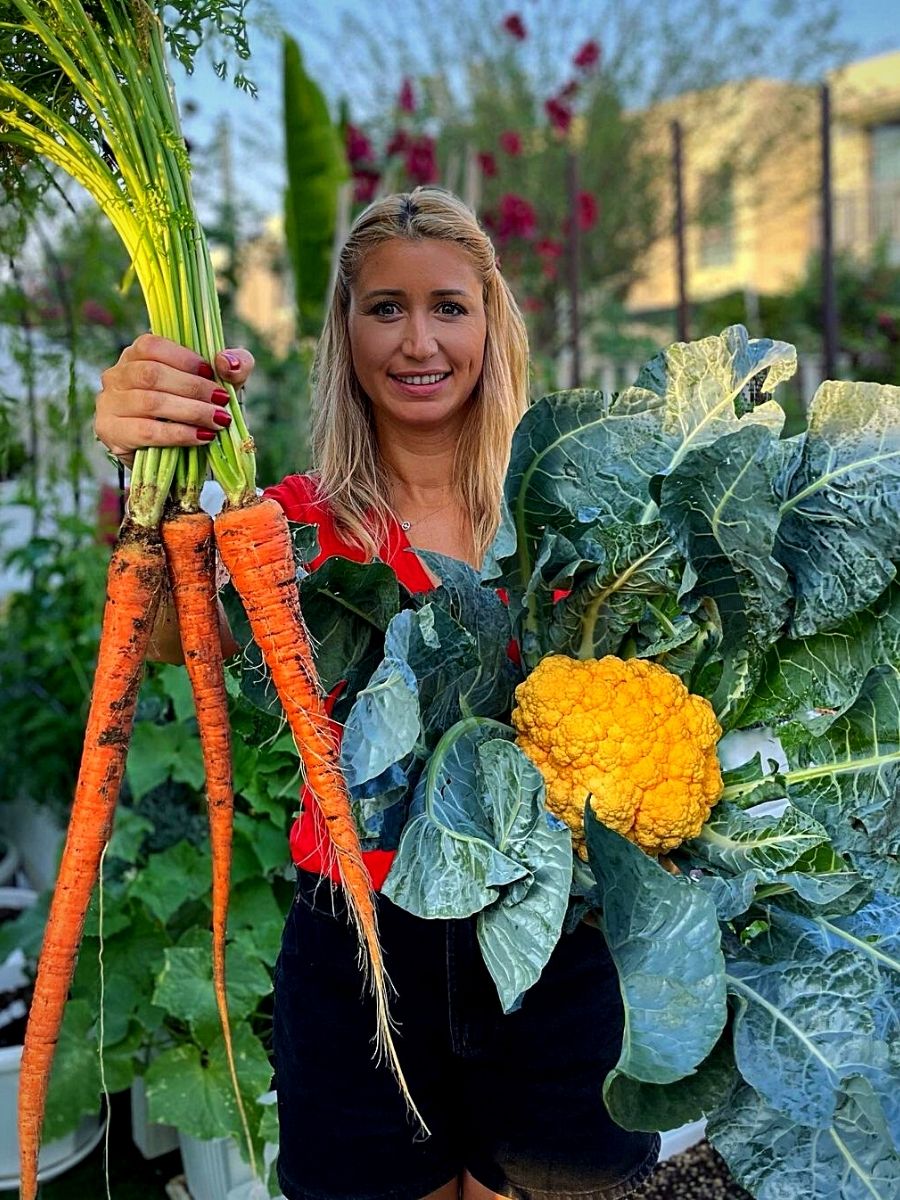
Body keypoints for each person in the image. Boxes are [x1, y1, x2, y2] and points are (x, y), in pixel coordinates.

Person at [93, 187, 661, 1200]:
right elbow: (187, 636)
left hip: (549, 935)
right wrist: (143, 479)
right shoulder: (295, 523)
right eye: (384, 307)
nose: (419, 340)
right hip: (358, 941)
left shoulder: (569, 514)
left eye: (448, 305)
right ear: (344, 333)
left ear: (491, 321)